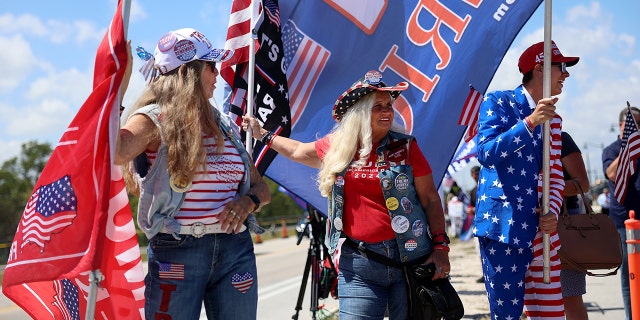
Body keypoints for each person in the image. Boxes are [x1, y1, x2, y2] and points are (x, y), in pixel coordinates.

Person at [243, 70, 451, 320]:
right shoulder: (338, 147)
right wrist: (262, 134)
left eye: (388, 105)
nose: (387, 111)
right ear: (361, 112)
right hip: (360, 263)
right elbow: (298, 150)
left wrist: (441, 249)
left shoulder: (406, 147)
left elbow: (430, 199)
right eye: (377, 107)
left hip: (411, 260)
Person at [115, 28, 271, 320]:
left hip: (235, 251)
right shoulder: (155, 118)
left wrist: (248, 202)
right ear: (190, 71)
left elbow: (261, 187)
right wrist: (119, 86)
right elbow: (116, 151)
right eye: (211, 66)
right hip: (177, 250)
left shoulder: (223, 124)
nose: (217, 73)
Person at [474, 40, 579, 319]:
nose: (566, 74)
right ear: (540, 69)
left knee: (552, 313)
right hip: (503, 229)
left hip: (542, 233)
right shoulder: (497, 101)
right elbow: (485, 152)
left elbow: (555, 175)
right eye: (561, 67)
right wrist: (530, 123)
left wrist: (552, 211)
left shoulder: (554, 120)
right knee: (507, 314)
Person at [602, 106, 640, 320]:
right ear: (622, 126)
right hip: (624, 221)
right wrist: (627, 148)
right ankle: (631, 316)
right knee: (630, 275)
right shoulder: (612, 150)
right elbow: (611, 173)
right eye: (633, 125)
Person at [559, 131, 590, 320]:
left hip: (565, 225)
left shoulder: (561, 138)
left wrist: (548, 189)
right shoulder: (516, 140)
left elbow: (583, 184)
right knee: (535, 299)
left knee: (570, 298)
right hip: (527, 227)